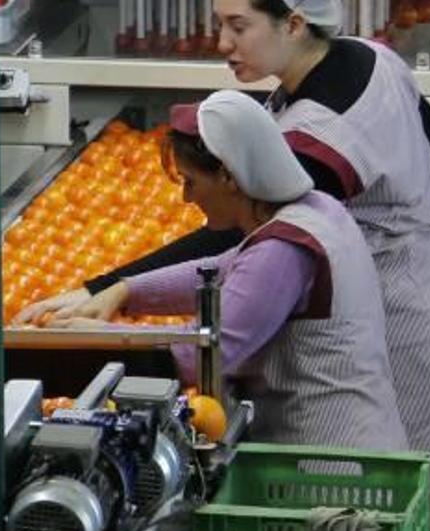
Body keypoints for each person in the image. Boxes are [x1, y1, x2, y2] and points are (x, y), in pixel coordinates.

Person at [23, 0, 430, 493]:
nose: (222, 43)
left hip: (394, 333)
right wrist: (121, 290)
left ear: (294, 24)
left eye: (239, 26)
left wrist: (93, 334)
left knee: (420, 479)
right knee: (419, 486)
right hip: (420, 286)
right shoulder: (370, 58)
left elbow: (233, 267)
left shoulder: (311, 161)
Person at [57, 91, 409, 451]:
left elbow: (202, 352)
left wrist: (103, 339)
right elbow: (223, 268)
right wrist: (124, 291)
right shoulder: (316, 209)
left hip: (328, 465)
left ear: (228, 175)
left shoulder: (283, 249)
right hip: (353, 442)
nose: (186, 199)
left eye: (191, 181)